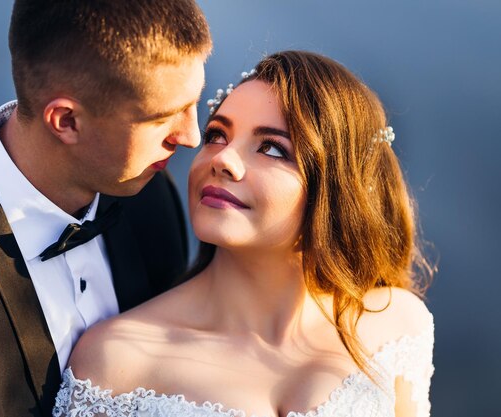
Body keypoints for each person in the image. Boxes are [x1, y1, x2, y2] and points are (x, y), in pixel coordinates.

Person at [0, 1, 211, 416]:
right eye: (164, 117)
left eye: (194, 103)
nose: (192, 137)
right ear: (66, 120)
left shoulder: (148, 192)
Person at [55, 51, 435, 417]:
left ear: (339, 187)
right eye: (217, 135)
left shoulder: (396, 326)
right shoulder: (115, 361)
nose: (222, 159)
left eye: (271, 148)